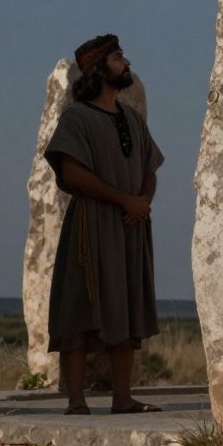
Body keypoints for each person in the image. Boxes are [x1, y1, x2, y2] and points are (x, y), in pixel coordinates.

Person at [43, 33, 165, 415]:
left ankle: (123, 398)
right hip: (91, 227)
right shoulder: (77, 117)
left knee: (126, 307)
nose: (126, 62)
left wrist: (142, 202)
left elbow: (150, 167)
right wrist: (124, 199)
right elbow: (73, 173)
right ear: (98, 68)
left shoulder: (131, 117)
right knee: (79, 308)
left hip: (130, 226)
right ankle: (77, 401)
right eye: (117, 57)